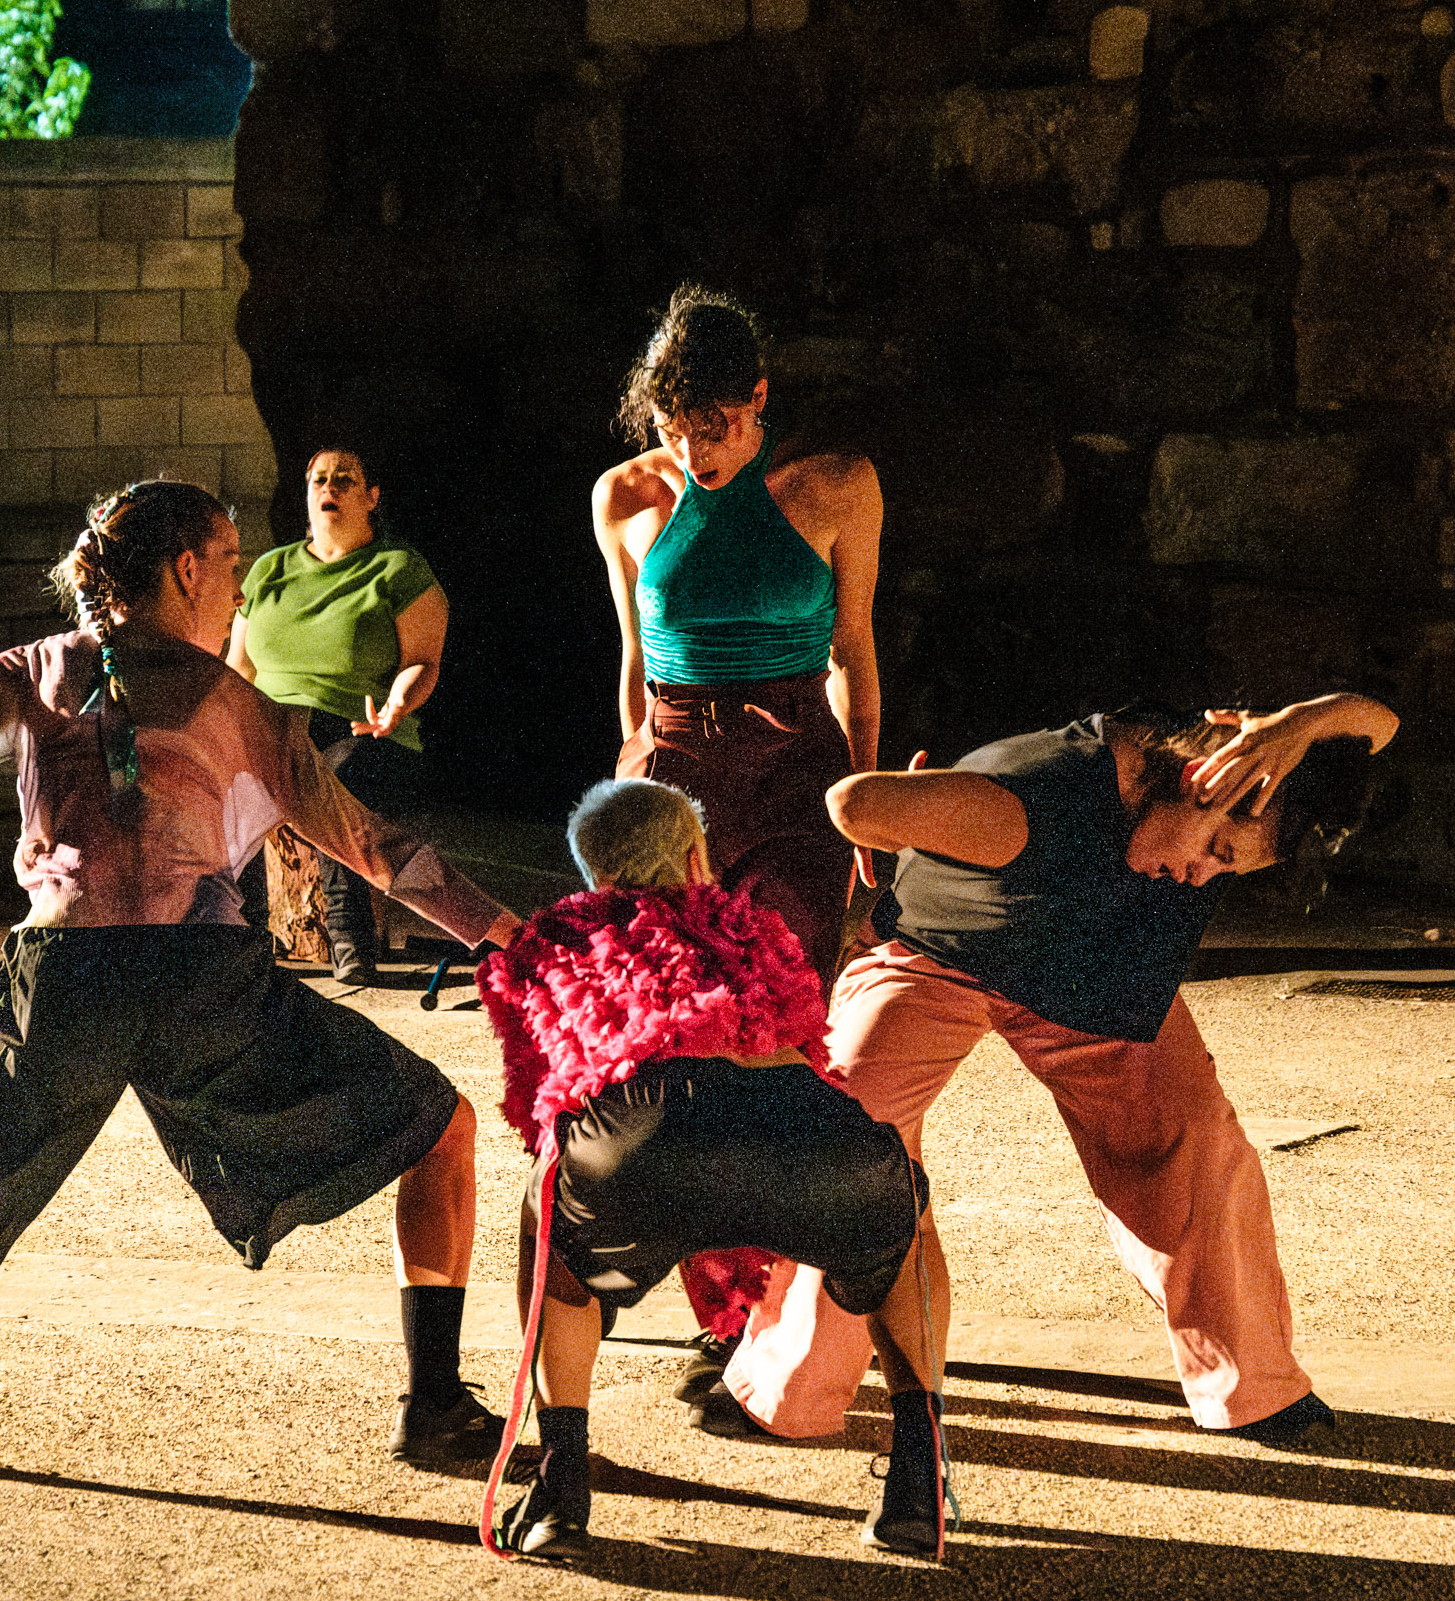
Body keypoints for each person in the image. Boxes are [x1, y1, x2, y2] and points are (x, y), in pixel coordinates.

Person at [0, 478, 523, 1472]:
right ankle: (435, 1409)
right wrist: (515, 937)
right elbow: (383, 853)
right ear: (187, 569)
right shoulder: (244, 706)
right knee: (441, 1126)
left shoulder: (27, 670)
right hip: (207, 991)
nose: (241, 590)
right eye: (234, 564)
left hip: (62, 988)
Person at [717, 695, 1400, 1451]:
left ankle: (1256, 1389)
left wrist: (1291, 729)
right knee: (848, 1139)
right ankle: (784, 1390)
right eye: (1218, 852)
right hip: (942, 960)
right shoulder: (1036, 797)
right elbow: (853, 801)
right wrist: (908, 822)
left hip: (1098, 973)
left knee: (1194, 1142)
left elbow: (1377, 725)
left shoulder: (1226, 773)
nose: (1202, 875)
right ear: (1203, 780)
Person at [476, 779, 948, 1562]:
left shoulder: (553, 937)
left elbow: (540, 1105)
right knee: (903, 1223)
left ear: (591, 874)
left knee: (549, 1216)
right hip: (800, 1120)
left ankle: (561, 1483)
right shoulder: (752, 926)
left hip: (640, 1132)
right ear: (697, 857)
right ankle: (918, 1482)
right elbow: (806, 1039)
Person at [590, 286, 883, 1377]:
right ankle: (726, 1315)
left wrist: (865, 801)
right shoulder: (626, 495)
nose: (692, 445)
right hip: (675, 776)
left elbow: (853, 649)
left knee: (772, 1029)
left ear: (757, 398)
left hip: (797, 765)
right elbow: (634, 654)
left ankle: (785, 1298)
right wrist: (628, 767)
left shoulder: (833, 486)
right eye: (673, 424)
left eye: (713, 423)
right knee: (680, 1034)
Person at [226, 447, 445, 986]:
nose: (330, 488)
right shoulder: (269, 570)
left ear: (371, 498)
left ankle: (350, 943)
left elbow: (422, 662)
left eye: (345, 480)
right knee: (230, 781)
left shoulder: (398, 569)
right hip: (272, 725)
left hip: (358, 728)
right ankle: (241, 943)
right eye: (319, 479)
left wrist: (397, 704)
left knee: (337, 777)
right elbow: (239, 667)